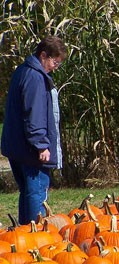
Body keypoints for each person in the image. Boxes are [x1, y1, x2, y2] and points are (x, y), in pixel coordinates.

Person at [1, 35, 67, 225]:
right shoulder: (36, 78)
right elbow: (34, 115)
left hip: (17, 147)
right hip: (31, 151)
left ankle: (25, 232)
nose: (55, 67)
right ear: (43, 55)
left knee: (28, 193)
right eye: (55, 62)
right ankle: (35, 234)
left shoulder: (23, 71)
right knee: (37, 194)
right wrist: (41, 145)